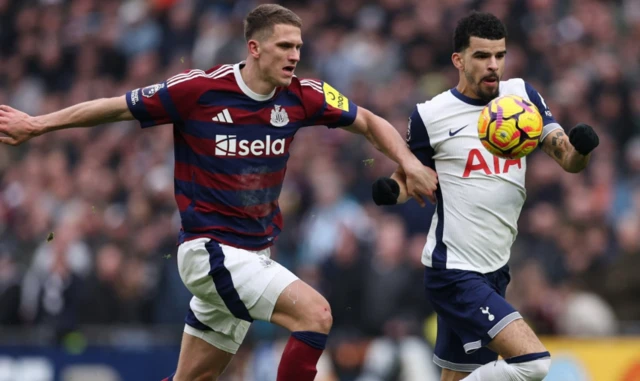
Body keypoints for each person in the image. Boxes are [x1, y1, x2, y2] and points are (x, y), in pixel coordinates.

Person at [0, 4, 438, 381]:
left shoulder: (303, 96)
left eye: (299, 47)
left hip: (254, 256)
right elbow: (116, 107)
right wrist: (39, 124)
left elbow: (369, 121)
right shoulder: (199, 89)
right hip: (210, 252)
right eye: (285, 46)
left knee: (195, 377)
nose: (295, 56)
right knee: (316, 315)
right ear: (255, 48)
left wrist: (410, 164)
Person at [371, 11, 599, 381]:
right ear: (458, 60)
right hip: (454, 271)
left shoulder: (522, 96)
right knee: (533, 363)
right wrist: (389, 191)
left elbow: (568, 159)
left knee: (456, 376)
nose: (493, 65)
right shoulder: (430, 115)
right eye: (481, 56)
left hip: (495, 269)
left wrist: (583, 148)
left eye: (500, 55)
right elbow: (410, 179)